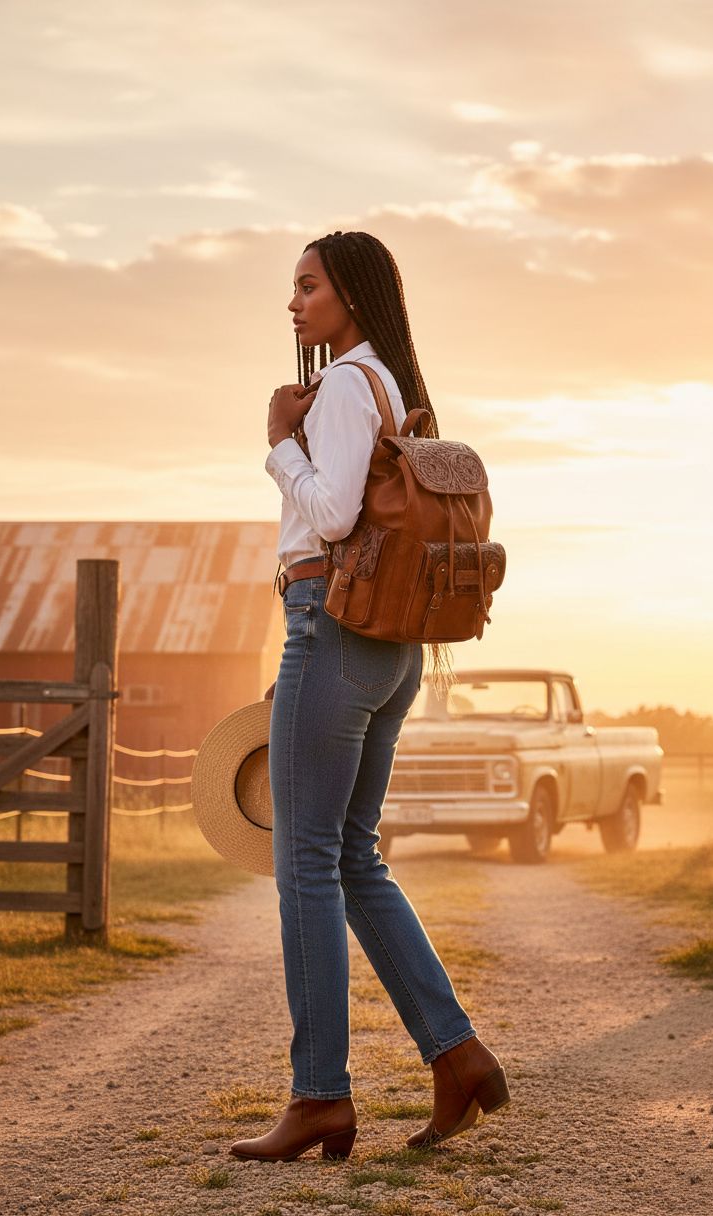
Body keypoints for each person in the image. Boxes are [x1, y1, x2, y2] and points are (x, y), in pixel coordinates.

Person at [230, 230, 510, 1164]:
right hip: (385, 651)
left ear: (347, 291)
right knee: (353, 858)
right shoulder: (393, 384)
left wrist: (279, 443)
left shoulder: (349, 383)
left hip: (331, 622)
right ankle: (457, 1055)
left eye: (307, 286)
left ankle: (319, 1098)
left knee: (306, 863)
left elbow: (335, 515)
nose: (295, 303)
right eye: (293, 289)